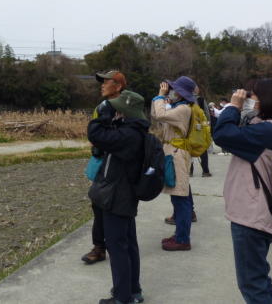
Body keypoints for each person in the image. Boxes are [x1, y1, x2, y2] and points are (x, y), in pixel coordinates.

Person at [213, 79, 272, 304]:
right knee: (257, 280)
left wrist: (233, 106)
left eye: (253, 96)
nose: (249, 99)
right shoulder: (268, 128)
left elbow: (222, 135)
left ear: (265, 101)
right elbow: (238, 131)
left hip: (251, 216)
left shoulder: (266, 131)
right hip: (253, 211)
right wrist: (243, 109)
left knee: (251, 283)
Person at [88, 90, 148, 304]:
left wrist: (103, 116)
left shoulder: (128, 135)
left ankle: (123, 298)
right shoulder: (135, 131)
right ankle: (133, 291)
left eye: (117, 108)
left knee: (118, 247)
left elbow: (94, 133)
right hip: (125, 195)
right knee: (128, 244)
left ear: (125, 111)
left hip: (117, 197)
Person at [82, 70, 127, 265]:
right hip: (103, 161)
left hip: (120, 162)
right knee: (98, 202)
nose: (102, 85)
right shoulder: (101, 107)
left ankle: (113, 245)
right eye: (102, 82)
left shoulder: (127, 107)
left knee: (117, 205)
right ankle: (99, 247)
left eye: (106, 82)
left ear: (118, 86)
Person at [151, 76, 195, 251]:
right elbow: (156, 116)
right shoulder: (178, 107)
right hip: (175, 153)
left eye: (174, 89)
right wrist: (161, 99)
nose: (171, 91)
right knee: (180, 195)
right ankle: (180, 234)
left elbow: (160, 114)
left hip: (177, 155)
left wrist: (160, 95)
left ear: (181, 93)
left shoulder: (183, 109)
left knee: (180, 198)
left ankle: (183, 239)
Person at [190, 85, 212, 177]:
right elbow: (207, 114)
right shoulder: (201, 100)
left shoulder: (183, 99)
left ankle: (189, 171)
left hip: (188, 129)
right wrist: (207, 127)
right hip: (200, 128)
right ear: (196, 90)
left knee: (188, 149)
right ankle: (205, 171)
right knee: (202, 149)